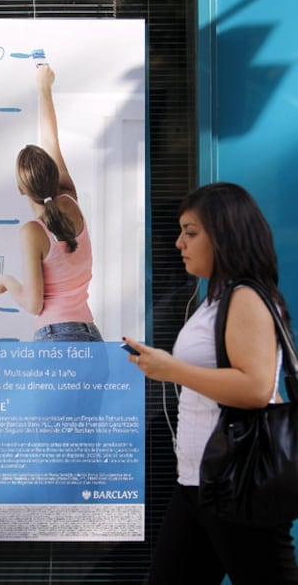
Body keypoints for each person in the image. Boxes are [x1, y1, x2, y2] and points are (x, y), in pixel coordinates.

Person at [123, 182, 298, 585]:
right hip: (200, 482)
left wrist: (171, 370)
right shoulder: (215, 299)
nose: (179, 243)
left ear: (225, 233)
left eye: (191, 231)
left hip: (236, 481)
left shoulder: (246, 298)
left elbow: (255, 389)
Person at [0, 64, 103, 343]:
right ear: (53, 175)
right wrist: (44, 88)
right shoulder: (69, 198)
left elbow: (33, 304)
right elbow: (52, 140)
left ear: (20, 190)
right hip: (90, 335)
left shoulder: (32, 232)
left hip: (57, 337)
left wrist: (4, 281)